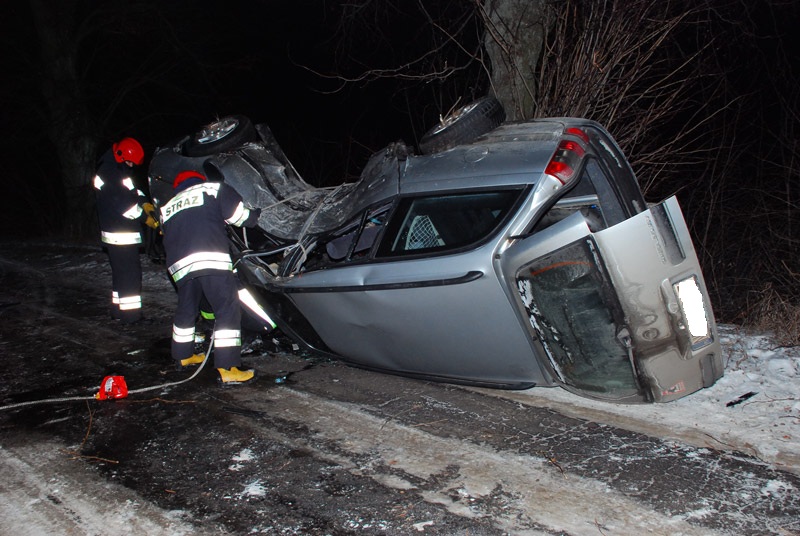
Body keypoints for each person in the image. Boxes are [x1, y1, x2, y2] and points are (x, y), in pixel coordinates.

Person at [159, 169, 261, 384]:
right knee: (227, 309)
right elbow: (239, 217)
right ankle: (228, 368)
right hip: (210, 259)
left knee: (186, 310)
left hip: (180, 267)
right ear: (199, 180)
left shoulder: (167, 207)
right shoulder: (213, 189)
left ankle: (183, 356)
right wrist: (255, 215)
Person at [93, 137, 159, 323]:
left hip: (116, 233)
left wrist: (145, 202)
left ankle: (117, 311)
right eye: (130, 162)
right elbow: (126, 206)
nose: (131, 166)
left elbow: (132, 191)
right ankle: (131, 316)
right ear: (121, 156)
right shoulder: (111, 173)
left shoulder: (117, 169)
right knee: (130, 275)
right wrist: (147, 218)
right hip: (120, 234)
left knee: (120, 274)